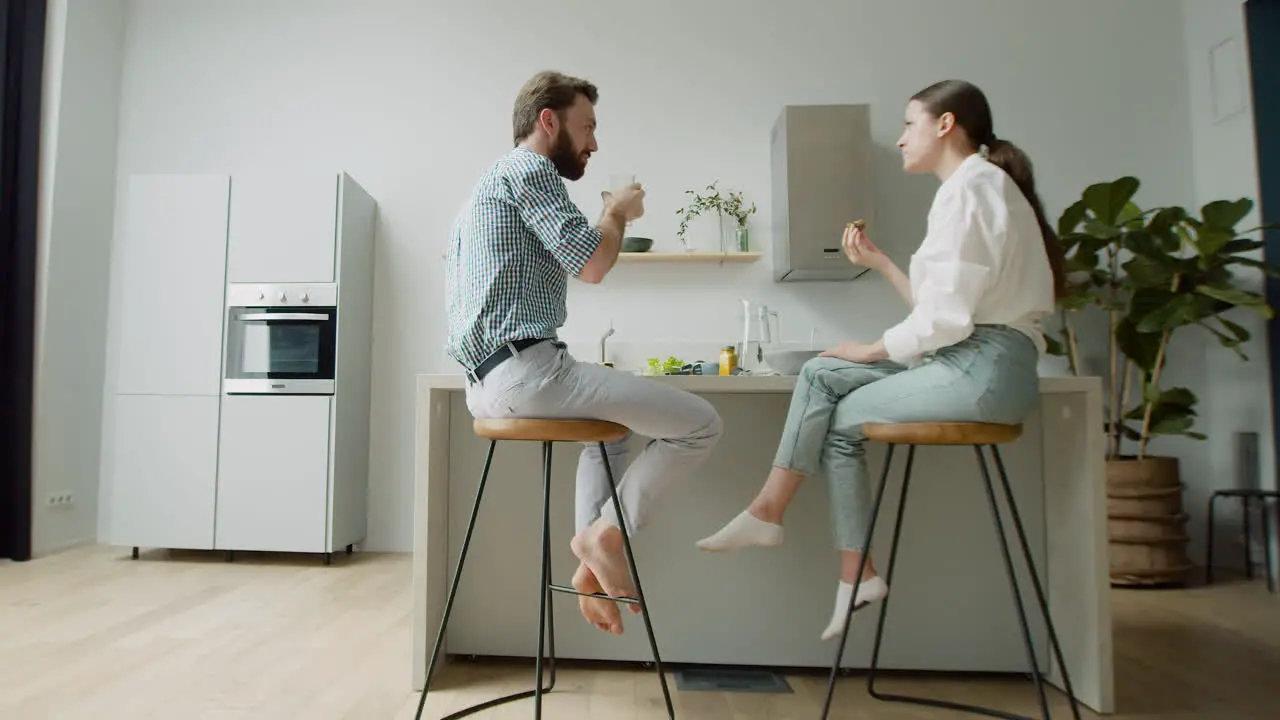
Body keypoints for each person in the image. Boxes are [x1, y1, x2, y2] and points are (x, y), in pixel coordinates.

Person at [696, 79, 1065, 643]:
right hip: (975, 361)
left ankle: (792, 529)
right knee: (823, 376)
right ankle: (827, 556)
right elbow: (944, 306)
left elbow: (947, 320)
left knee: (840, 419)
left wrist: (870, 348)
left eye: (909, 124)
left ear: (946, 125)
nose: (899, 139)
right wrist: (881, 264)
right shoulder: (979, 187)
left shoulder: (970, 188)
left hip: (982, 368)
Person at [445, 70, 724, 637]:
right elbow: (593, 264)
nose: (594, 143)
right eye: (587, 126)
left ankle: (589, 569)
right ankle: (604, 537)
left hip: (486, 382)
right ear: (548, 121)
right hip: (526, 371)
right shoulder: (530, 170)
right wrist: (617, 211)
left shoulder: (487, 186)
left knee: (613, 431)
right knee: (701, 425)